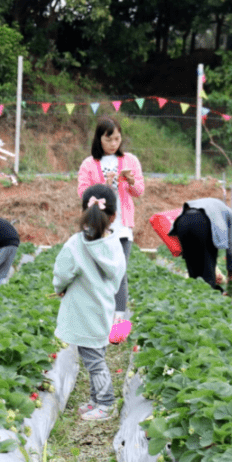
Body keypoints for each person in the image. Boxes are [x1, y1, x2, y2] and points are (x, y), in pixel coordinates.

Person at [53, 184, 127, 422]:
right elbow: (119, 277)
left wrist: (60, 288)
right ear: (113, 216)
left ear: (83, 211)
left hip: (84, 313)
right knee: (96, 355)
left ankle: (106, 403)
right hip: (103, 309)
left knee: (94, 361)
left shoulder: (77, 244)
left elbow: (63, 272)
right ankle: (96, 399)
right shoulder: (115, 244)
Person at [76, 117, 144, 324]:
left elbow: (139, 191)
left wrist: (130, 181)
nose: (114, 144)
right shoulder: (89, 164)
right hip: (98, 227)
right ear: (99, 140)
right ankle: (99, 315)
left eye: (117, 139)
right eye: (109, 140)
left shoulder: (130, 160)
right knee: (97, 271)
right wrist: (105, 185)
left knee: (119, 272)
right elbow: (83, 193)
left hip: (122, 226)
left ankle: (119, 319)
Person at [169, 197, 232, 291]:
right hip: (203, 222)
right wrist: (231, 273)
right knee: (208, 270)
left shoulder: (219, 208)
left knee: (193, 271)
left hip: (182, 221)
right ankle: (208, 297)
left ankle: (195, 297)